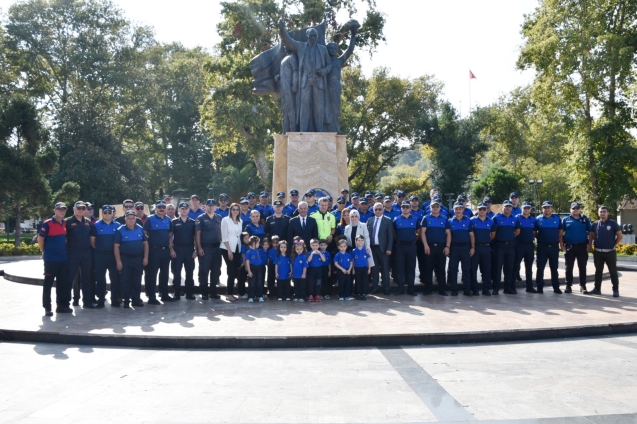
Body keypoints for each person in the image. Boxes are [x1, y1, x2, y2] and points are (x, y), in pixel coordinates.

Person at [278, 22, 332, 132]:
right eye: (311, 36)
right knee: (304, 108)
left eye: (315, 36)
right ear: (307, 36)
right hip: (305, 83)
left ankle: (320, 131)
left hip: (318, 82)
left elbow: (329, 64)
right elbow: (289, 41)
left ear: (317, 37)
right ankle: (302, 132)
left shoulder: (323, 49)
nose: (313, 38)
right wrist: (282, 29)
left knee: (318, 108)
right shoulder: (301, 47)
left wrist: (323, 71)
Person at [38, 202, 72, 315]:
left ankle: (61, 306)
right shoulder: (47, 224)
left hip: (63, 259)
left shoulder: (65, 223)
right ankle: (47, 307)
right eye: (59, 209)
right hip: (51, 260)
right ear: (55, 211)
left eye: (64, 210)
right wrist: (44, 252)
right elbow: (40, 239)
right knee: (48, 284)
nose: (62, 211)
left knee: (62, 284)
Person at [324, 25, 356, 132]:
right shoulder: (323, 62)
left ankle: (334, 129)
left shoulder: (339, 61)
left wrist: (354, 33)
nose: (332, 50)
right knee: (325, 109)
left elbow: (350, 49)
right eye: (330, 48)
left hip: (336, 86)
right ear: (327, 49)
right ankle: (326, 128)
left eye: (334, 48)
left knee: (335, 109)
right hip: (325, 86)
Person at [114, 210, 148, 308]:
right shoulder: (120, 230)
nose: (131, 220)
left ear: (135, 219)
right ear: (125, 219)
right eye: (128, 218)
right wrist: (118, 261)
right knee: (125, 280)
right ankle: (126, 300)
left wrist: (145, 257)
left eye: (133, 218)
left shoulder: (140, 229)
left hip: (138, 259)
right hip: (125, 259)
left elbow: (145, 244)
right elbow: (116, 246)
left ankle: (136, 300)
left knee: (137, 280)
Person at [144, 200, 175, 304]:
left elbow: (170, 236)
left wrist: (171, 249)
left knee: (165, 274)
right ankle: (152, 297)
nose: (161, 209)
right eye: (159, 207)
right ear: (155, 208)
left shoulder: (168, 220)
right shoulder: (150, 219)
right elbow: (145, 234)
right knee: (153, 274)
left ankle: (164, 294)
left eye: (163, 207)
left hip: (165, 250)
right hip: (154, 251)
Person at [587, 206, 622, 297]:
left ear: (608, 213)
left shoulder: (613, 223)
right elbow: (592, 235)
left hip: (610, 252)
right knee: (598, 271)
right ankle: (597, 289)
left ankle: (615, 290)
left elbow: (620, 236)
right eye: (601, 212)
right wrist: (590, 245)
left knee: (613, 271)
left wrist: (613, 244)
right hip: (598, 252)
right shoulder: (595, 224)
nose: (602, 213)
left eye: (604, 211)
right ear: (598, 213)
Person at [90, 205, 120, 308]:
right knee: (100, 279)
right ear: (102, 213)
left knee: (115, 279)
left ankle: (115, 300)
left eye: (109, 212)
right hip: (100, 256)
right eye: (105, 212)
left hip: (113, 256)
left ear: (113, 213)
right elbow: (92, 240)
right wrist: (99, 249)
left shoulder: (118, 225)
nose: (107, 214)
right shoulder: (96, 225)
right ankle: (101, 300)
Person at [66, 201, 95, 308]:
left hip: (86, 254)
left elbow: (92, 238)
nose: (81, 210)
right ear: (74, 209)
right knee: (70, 279)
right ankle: (66, 303)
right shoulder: (68, 222)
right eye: (79, 208)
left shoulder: (88, 222)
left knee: (86, 279)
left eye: (83, 208)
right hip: (72, 254)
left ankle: (87, 302)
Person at [561, 201, 593, 293]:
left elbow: (590, 232)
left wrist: (590, 244)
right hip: (570, 247)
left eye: (577, 208)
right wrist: (562, 245)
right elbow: (561, 233)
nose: (575, 210)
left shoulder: (584, 219)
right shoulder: (565, 219)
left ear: (580, 209)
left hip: (582, 246)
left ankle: (583, 286)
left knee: (582, 267)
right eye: (573, 208)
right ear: (570, 209)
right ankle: (568, 286)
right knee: (569, 267)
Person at [421, 199, 449, 296]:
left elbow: (448, 234)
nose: (435, 208)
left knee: (441, 269)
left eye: (437, 207)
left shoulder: (445, 218)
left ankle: (442, 289)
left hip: (441, 247)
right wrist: (425, 245)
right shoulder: (426, 218)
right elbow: (423, 233)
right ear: (430, 208)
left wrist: (447, 246)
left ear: (440, 208)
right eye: (433, 207)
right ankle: (428, 289)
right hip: (430, 247)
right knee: (428, 268)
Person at [196, 199, 223, 300]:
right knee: (204, 271)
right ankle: (204, 292)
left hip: (217, 248)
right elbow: (197, 234)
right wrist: (199, 248)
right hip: (205, 248)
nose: (211, 207)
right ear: (205, 207)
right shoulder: (201, 218)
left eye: (213, 205)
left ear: (215, 207)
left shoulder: (219, 217)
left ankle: (213, 291)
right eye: (209, 205)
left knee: (215, 271)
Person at [534, 201, 564, 294]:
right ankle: (539, 287)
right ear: (542, 209)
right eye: (545, 207)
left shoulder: (557, 218)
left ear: (552, 208)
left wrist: (555, 239)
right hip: (542, 247)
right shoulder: (538, 219)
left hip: (554, 247)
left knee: (554, 268)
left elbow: (560, 232)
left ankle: (556, 287)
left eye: (548, 207)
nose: (547, 209)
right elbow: (535, 233)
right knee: (540, 268)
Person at [448, 201, 476, 296]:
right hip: (454, 248)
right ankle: (454, 289)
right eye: (456, 209)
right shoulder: (450, 221)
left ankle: (467, 289)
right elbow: (448, 235)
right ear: (453, 210)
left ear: (463, 210)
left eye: (460, 209)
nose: (458, 211)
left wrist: (472, 247)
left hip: (466, 248)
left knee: (466, 270)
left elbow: (471, 235)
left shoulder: (468, 220)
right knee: (453, 269)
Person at [393, 201, 420, 296]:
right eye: (403, 207)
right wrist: (401, 240)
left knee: (411, 268)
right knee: (400, 268)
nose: (405, 209)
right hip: (400, 246)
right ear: (401, 208)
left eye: (407, 207)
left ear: (410, 208)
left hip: (412, 246)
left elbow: (418, 233)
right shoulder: (396, 219)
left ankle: (411, 289)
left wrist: (412, 240)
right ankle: (400, 289)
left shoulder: (415, 219)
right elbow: (394, 233)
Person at [171, 202, 197, 300]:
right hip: (178, 249)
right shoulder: (173, 222)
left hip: (190, 249)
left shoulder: (193, 222)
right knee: (176, 272)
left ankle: (189, 293)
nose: (184, 210)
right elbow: (170, 237)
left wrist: (195, 250)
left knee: (189, 272)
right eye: (182, 208)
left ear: (188, 210)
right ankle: (177, 292)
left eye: (186, 208)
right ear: (178, 210)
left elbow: (196, 238)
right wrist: (171, 249)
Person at [491, 200, 517, 295]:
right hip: (499, 246)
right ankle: (496, 288)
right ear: (503, 207)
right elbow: (493, 232)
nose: (508, 208)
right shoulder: (496, 218)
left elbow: (517, 231)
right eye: (506, 206)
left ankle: (507, 288)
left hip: (510, 246)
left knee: (509, 268)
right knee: (497, 268)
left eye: (509, 207)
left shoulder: (514, 218)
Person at [367, 202, 393, 295]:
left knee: (385, 270)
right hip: (373, 249)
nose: (378, 211)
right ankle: (375, 287)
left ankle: (386, 288)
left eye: (379, 209)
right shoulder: (370, 220)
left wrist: (389, 248)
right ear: (373, 210)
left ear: (383, 210)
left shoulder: (388, 220)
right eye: (376, 209)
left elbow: (390, 236)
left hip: (384, 249)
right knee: (374, 270)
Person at [470, 203, 493, 296]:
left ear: (487, 210)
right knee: (473, 269)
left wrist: (486, 241)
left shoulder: (490, 221)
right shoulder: (471, 221)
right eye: (480, 209)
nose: (482, 211)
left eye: (484, 209)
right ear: (477, 210)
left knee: (486, 269)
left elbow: (493, 234)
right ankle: (475, 289)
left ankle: (486, 289)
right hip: (475, 247)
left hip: (486, 248)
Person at [221, 202, 243, 301]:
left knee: (235, 271)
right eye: (233, 209)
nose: (235, 211)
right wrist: (229, 251)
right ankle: (229, 294)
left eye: (237, 209)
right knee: (231, 270)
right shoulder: (225, 220)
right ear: (230, 210)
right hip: (227, 248)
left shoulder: (240, 221)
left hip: (237, 248)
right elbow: (224, 236)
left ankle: (235, 292)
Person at [514, 202, 537, 293]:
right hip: (519, 244)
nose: (526, 209)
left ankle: (529, 287)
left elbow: (535, 232)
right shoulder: (516, 218)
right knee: (515, 266)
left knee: (529, 267)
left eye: (528, 208)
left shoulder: (533, 220)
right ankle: (512, 286)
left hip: (530, 245)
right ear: (521, 209)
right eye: (524, 208)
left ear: (530, 209)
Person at [352, 234, 372, 300]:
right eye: (359, 240)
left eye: (362, 240)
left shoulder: (366, 250)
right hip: (357, 268)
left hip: (364, 268)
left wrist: (369, 268)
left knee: (365, 281)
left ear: (364, 241)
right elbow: (353, 260)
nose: (360, 242)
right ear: (356, 241)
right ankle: (358, 293)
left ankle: (364, 293)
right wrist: (353, 269)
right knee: (358, 281)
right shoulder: (354, 251)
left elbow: (368, 259)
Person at [245, 235, 264, 303]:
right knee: (252, 283)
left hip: (259, 267)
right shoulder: (249, 252)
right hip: (252, 268)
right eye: (258, 243)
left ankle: (260, 296)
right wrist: (249, 271)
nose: (259, 244)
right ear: (254, 243)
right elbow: (247, 261)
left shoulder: (257, 250)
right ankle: (251, 296)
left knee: (259, 282)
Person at [292, 238, 309, 302]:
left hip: (302, 275)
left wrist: (304, 274)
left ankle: (302, 297)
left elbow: (305, 266)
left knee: (302, 286)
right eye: (297, 249)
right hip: (295, 275)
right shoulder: (294, 256)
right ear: (295, 249)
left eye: (300, 249)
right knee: (296, 286)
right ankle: (296, 296)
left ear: (303, 249)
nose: (299, 250)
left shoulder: (304, 257)